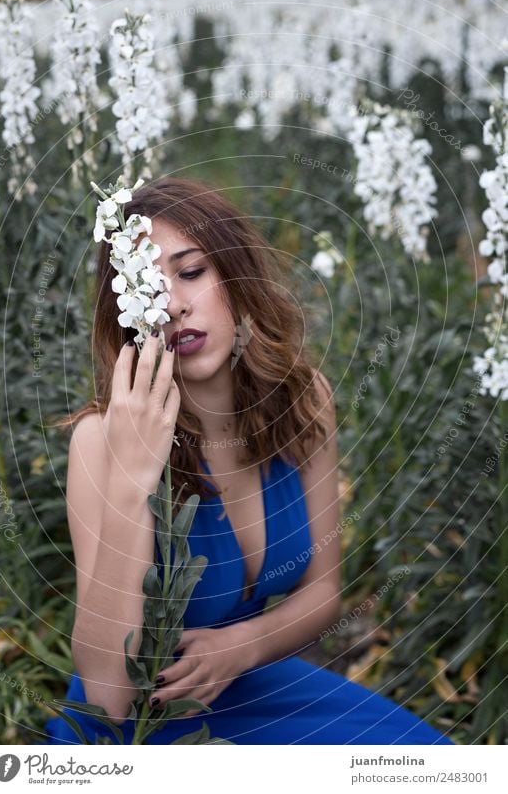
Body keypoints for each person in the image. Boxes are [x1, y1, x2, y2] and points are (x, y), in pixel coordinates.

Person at [42, 178, 454, 745]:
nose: (176, 305)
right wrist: (132, 480)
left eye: (191, 272)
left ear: (236, 274)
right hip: (146, 727)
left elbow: (323, 592)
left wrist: (242, 647)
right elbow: (109, 697)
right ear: (127, 310)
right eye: (149, 289)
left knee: (432, 764)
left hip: (251, 682)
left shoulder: (304, 401)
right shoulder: (99, 439)